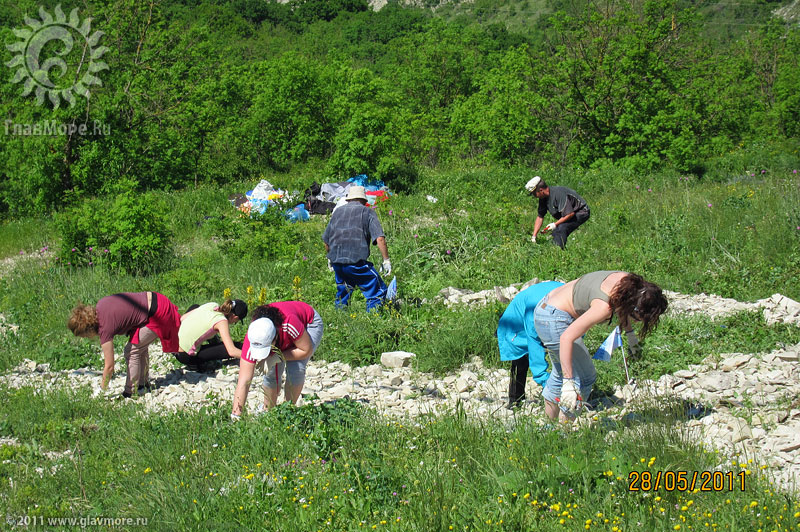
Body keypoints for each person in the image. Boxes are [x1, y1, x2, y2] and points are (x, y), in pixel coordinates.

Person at [533, 271, 667, 421]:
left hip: (546, 307)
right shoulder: (603, 307)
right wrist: (569, 382)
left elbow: (623, 305)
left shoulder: (628, 283)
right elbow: (566, 338)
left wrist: (630, 334)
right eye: (636, 319)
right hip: (554, 320)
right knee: (583, 378)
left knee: (560, 373)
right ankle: (565, 431)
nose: (636, 322)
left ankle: (549, 426)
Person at [68, 292, 181, 397]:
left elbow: (109, 366)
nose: (87, 338)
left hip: (158, 313)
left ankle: (131, 390)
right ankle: (142, 384)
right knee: (139, 345)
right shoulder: (101, 305)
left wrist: (102, 390)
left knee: (131, 351)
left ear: (88, 330)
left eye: (84, 336)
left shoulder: (104, 328)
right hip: (157, 299)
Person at [231, 301, 323, 419]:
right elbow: (244, 380)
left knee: (296, 368)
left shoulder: (289, 324)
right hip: (280, 335)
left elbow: (306, 350)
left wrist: (277, 356)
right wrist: (236, 416)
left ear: (275, 338)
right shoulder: (254, 335)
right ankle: (268, 410)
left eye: (268, 349)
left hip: (308, 324)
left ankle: (288, 410)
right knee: (270, 373)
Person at [322, 185, 391, 311]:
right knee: (377, 290)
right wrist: (386, 260)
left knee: (343, 293)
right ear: (364, 201)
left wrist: (330, 258)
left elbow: (326, 241)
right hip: (356, 263)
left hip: (338, 262)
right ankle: (374, 321)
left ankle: (341, 321)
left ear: (349, 199)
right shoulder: (367, 212)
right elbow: (380, 238)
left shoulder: (337, 212)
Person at [497, 281, 563, 409]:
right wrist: (546, 382)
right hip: (515, 324)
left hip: (545, 307)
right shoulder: (535, 313)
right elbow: (535, 349)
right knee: (520, 362)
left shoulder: (571, 303)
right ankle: (515, 401)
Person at [175, 299, 247, 370]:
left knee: (196, 307)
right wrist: (251, 359)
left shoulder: (212, 305)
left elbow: (182, 318)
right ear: (235, 317)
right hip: (184, 356)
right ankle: (195, 364)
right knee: (236, 346)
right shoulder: (222, 322)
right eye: (236, 321)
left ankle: (213, 341)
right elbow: (232, 351)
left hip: (174, 341)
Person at [526, 176, 590, 249]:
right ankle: (552, 249)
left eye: (534, 194)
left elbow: (570, 214)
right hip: (568, 214)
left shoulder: (558, 194)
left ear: (541, 190)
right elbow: (540, 217)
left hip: (581, 212)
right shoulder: (543, 198)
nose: (534, 196)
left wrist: (555, 224)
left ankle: (558, 251)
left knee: (562, 228)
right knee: (554, 233)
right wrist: (534, 236)